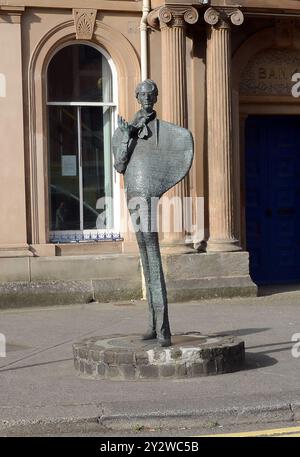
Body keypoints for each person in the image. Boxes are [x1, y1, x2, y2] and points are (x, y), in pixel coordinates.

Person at [112, 79, 193, 347]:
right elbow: (120, 165)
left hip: (150, 192)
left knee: (153, 253)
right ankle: (153, 323)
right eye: (143, 94)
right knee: (145, 257)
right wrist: (127, 137)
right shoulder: (124, 129)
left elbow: (178, 156)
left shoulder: (168, 132)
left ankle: (164, 328)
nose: (147, 98)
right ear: (137, 97)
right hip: (133, 192)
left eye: (151, 94)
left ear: (156, 97)